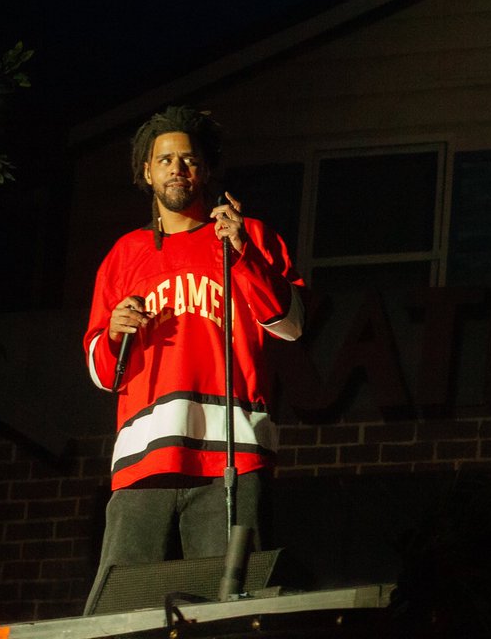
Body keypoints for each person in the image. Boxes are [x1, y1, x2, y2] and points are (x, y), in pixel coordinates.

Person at [82, 105, 304, 610]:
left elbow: (291, 326)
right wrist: (114, 333)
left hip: (233, 452)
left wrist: (243, 252)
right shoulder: (124, 254)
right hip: (144, 457)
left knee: (230, 610)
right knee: (120, 611)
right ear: (147, 171)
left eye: (188, 160)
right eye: (165, 161)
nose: (177, 170)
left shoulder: (251, 237)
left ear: (205, 169)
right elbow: (99, 371)